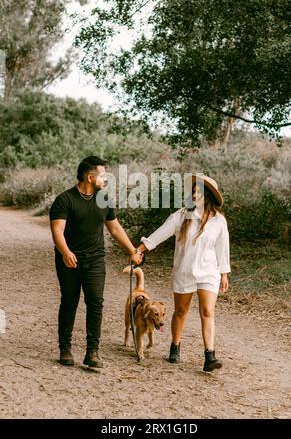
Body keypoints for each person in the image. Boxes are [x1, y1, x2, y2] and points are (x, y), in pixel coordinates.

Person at [49, 156, 143, 368]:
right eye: (102, 175)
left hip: (95, 261)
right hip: (69, 261)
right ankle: (65, 348)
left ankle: (92, 352)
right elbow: (57, 231)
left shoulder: (104, 199)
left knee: (95, 303)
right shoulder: (64, 200)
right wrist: (65, 252)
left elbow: (115, 228)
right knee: (69, 302)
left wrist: (132, 250)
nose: (106, 179)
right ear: (90, 177)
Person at [136, 175, 230, 372]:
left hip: (208, 272)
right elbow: (159, 234)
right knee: (181, 311)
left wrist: (224, 274)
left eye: (199, 192)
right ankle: (175, 347)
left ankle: (209, 356)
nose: (195, 195)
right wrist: (140, 250)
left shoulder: (218, 221)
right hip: (185, 271)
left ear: (209, 196)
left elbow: (223, 249)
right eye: (193, 191)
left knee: (207, 311)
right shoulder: (181, 216)